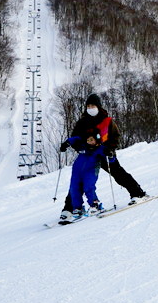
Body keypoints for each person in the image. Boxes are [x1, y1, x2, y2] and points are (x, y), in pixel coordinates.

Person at [58, 93, 149, 223]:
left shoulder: (107, 121)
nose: (90, 108)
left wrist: (110, 149)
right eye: (88, 106)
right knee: (79, 181)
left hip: (104, 153)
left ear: (98, 107)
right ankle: (69, 208)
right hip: (88, 155)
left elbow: (115, 136)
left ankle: (138, 193)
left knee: (118, 173)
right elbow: (75, 138)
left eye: (93, 105)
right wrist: (81, 148)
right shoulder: (82, 122)